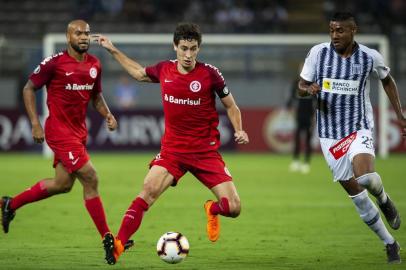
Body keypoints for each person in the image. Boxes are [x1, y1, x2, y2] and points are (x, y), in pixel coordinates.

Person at [92, 22, 249, 265]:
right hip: (173, 152)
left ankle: (212, 209)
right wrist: (112, 49)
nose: (188, 55)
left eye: (193, 49)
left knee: (234, 208)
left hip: (205, 152)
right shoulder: (164, 69)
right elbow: (137, 73)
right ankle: (119, 245)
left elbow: (231, 105)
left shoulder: (210, 74)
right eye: (184, 48)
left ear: (199, 48)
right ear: (174, 46)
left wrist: (239, 129)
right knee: (148, 192)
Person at [1, 20, 120, 250]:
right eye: (79, 33)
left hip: (78, 134)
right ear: (68, 37)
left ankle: (10, 204)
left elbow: (96, 96)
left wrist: (108, 114)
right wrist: (35, 123)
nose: (84, 37)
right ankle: (108, 238)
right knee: (91, 178)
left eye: (87, 33)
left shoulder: (95, 64)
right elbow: (28, 88)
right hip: (59, 132)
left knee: (62, 184)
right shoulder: (54, 63)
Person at [298, 12, 405, 264]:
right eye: (332, 30)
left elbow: (387, 79)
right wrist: (309, 89)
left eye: (340, 31)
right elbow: (300, 87)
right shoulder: (318, 54)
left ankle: (384, 199)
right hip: (329, 136)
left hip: (358, 127)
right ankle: (390, 243)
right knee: (357, 197)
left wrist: (400, 114)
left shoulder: (369, 57)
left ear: (353, 30)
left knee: (366, 176)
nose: (335, 36)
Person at [287, 66, 316, 174]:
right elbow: (290, 100)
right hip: (299, 115)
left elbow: (316, 101)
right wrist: (290, 110)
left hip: (309, 115)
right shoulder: (296, 84)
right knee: (297, 138)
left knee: (308, 139)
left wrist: (314, 117)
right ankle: (295, 161)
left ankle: (306, 163)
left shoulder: (312, 84)